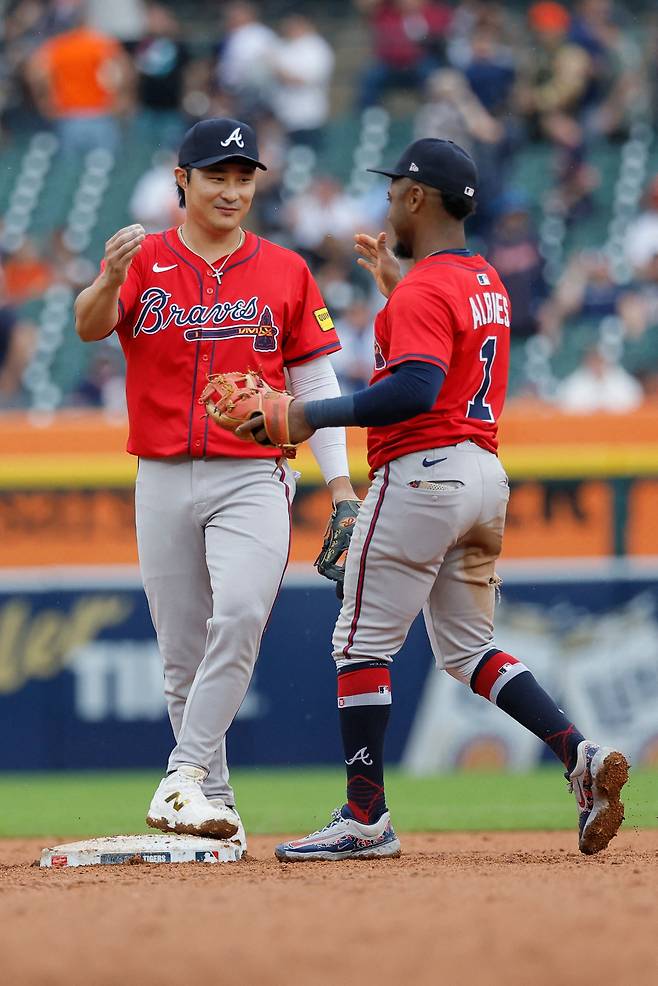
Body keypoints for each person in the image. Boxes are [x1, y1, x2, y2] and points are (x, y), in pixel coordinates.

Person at [237, 137, 630, 861]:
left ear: (418, 197)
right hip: (483, 475)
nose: (387, 202)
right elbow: (444, 354)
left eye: (394, 192)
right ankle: (579, 754)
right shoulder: (484, 280)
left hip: (422, 473)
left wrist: (304, 414)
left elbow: (415, 388)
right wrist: (397, 287)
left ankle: (365, 816)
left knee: (358, 642)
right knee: (470, 649)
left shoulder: (424, 289)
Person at [74, 117, 359, 854]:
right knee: (179, 653)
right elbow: (87, 324)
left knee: (237, 615)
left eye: (243, 176)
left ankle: (182, 772)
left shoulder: (285, 269)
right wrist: (108, 277)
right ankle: (217, 810)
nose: (233, 189)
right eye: (216, 175)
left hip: (254, 473)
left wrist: (343, 487)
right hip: (162, 472)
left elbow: (316, 382)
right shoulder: (143, 260)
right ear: (182, 181)